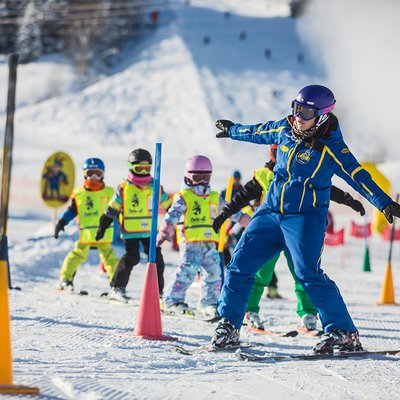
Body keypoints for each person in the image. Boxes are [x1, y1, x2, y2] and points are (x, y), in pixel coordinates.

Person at [211, 84, 400, 353]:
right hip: (270, 212)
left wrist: (384, 203)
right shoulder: (285, 129)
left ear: (322, 115)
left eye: (306, 112)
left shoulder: (331, 147)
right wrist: (233, 131)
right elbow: (258, 131)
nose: (298, 116)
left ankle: (343, 332)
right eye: (297, 108)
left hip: (305, 217)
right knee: (240, 263)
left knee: (307, 273)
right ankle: (229, 325)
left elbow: (359, 177)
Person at [213, 145, 366, 331]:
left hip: (296, 231)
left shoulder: (301, 171)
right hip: (269, 231)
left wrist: (347, 199)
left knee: (302, 273)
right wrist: (225, 213)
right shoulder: (263, 175)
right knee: (260, 273)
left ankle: (308, 313)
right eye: (277, 152)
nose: (281, 156)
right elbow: (243, 196)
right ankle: (249, 310)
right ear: (272, 153)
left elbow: (325, 188)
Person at [96, 148, 171, 302]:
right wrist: (103, 225)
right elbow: (112, 208)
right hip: (131, 231)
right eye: (139, 169)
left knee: (156, 259)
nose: (143, 173)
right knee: (132, 258)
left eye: (147, 169)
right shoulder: (124, 187)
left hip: (150, 231)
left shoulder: (155, 186)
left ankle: (158, 293)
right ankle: (117, 288)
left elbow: (168, 204)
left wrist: (177, 216)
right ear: (131, 168)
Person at [156, 155, 222, 318]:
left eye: (205, 177)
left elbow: (228, 210)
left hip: (208, 241)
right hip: (190, 241)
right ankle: (173, 300)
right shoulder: (184, 196)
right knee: (187, 270)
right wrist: (165, 229)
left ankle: (209, 302)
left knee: (214, 273)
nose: (201, 182)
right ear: (187, 176)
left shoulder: (213, 196)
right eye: (197, 177)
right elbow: (172, 214)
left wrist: (244, 219)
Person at [54, 158, 118, 291]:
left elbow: (118, 210)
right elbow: (72, 211)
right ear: (84, 174)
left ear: (103, 174)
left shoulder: (110, 193)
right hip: (86, 233)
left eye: (98, 173)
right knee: (76, 255)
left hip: (104, 233)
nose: (94, 177)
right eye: (91, 173)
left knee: (110, 259)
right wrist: (62, 222)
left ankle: (116, 285)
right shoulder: (79, 194)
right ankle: (66, 280)